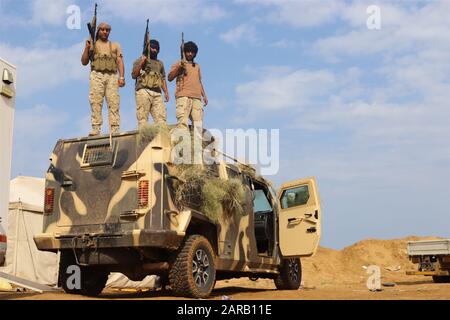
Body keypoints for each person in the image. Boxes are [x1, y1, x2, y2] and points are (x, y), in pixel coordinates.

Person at [81, 22, 125, 136]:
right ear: (98, 31)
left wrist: (121, 77)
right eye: (102, 30)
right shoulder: (93, 44)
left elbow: (120, 61)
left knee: (114, 102)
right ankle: (96, 128)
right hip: (97, 75)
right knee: (96, 102)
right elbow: (84, 62)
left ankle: (114, 129)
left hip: (111, 76)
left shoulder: (115, 45)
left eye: (107, 30)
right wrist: (87, 48)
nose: (105, 32)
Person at [168, 41, 208, 130]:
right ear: (184, 52)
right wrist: (179, 68)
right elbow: (169, 77)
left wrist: (204, 96)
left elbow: (199, 81)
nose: (190, 54)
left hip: (197, 97)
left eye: (192, 52)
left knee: (198, 125)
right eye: (188, 51)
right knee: (182, 123)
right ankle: (183, 143)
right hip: (183, 96)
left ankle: (197, 143)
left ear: (195, 53)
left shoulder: (197, 66)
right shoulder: (178, 64)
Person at [131, 39, 169, 128]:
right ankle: (144, 139)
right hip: (143, 91)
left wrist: (166, 92)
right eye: (152, 48)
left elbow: (162, 78)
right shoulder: (140, 60)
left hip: (157, 92)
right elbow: (134, 75)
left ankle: (162, 139)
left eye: (156, 48)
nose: (154, 50)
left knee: (161, 119)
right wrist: (142, 62)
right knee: (143, 119)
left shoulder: (160, 63)